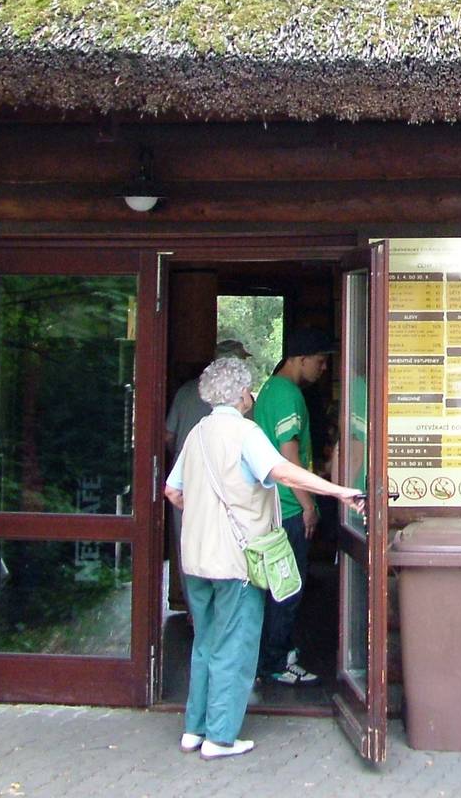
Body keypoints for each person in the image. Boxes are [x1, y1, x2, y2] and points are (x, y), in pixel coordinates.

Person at [164, 355, 363, 760]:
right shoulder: (245, 433)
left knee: (206, 641)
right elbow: (284, 471)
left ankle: (194, 728)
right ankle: (220, 738)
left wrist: (205, 514)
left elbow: (173, 491)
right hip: (237, 560)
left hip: (196, 557)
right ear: (241, 394)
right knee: (236, 646)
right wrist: (340, 492)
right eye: (248, 389)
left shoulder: (198, 433)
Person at [252, 326, 334, 686]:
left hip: (270, 505)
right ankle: (275, 661)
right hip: (288, 506)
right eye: (319, 361)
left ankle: (273, 653)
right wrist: (308, 505)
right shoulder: (287, 395)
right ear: (300, 360)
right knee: (288, 587)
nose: (323, 368)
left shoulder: (270, 389)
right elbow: (289, 453)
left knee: (274, 589)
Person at [165, 339, 253, 610]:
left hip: (187, 484)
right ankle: (223, 614)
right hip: (230, 488)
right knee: (230, 548)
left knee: (189, 545)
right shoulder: (242, 405)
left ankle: (196, 612)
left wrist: (185, 455)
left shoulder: (186, 392)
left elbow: (169, 436)